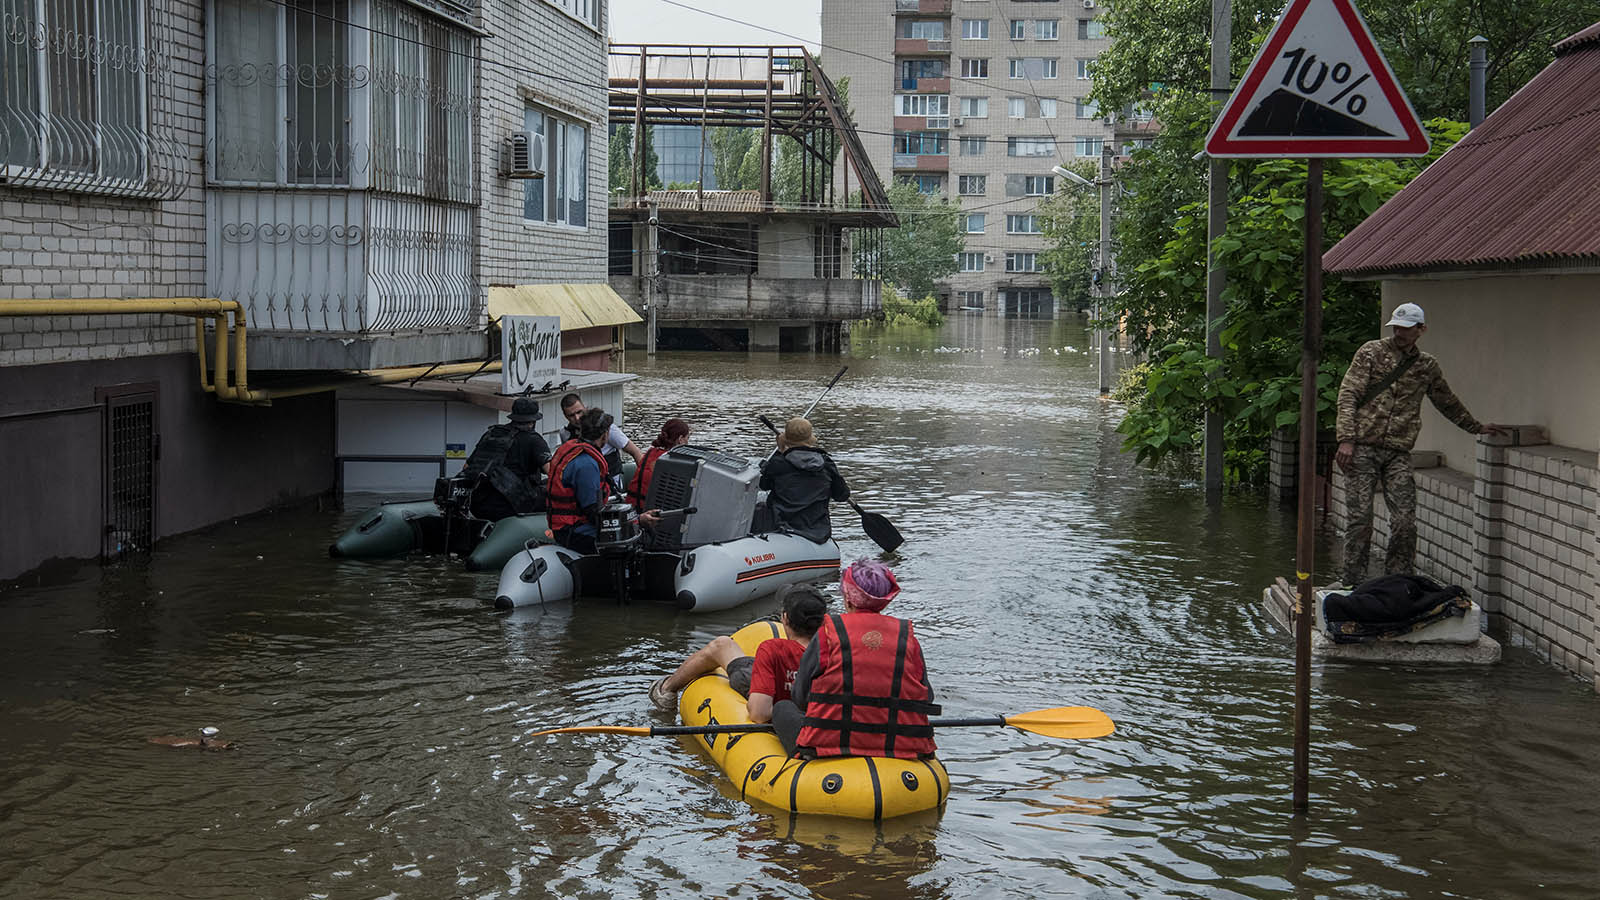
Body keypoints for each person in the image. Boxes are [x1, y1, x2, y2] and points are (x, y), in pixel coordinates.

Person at [1334, 302, 1507, 586]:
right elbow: (1348, 395)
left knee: (1405, 521)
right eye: (1397, 328)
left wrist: (1476, 427)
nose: (1399, 334)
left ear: (1420, 330)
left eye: (1406, 329)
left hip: (1398, 452)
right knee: (1360, 519)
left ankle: (1398, 580)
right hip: (1363, 447)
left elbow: (1446, 401)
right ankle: (1353, 581)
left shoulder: (1426, 366)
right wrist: (1347, 439)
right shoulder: (1371, 352)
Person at [772, 560, 939, 760]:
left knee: (783, 707)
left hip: (829, 745)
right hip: (900, 746)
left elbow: (801, 698)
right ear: (885, 601)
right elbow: (926, 697)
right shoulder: (908, 638)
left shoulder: (828, 633)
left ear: (848, 600)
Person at [648, 585, 830, 723]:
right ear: (824, 621)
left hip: (770, 697)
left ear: (785, 619)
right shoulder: (838, 648)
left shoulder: (773, 650)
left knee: (722, 645)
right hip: (816, 711)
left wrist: (787, 713)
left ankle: (666, 690)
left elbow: (759, 714)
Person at [759, 417, 849, 543]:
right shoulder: (826, 464)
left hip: (782, 526)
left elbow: (763, 485)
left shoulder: (778, 463)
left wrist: (780, 451)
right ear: (810, 438)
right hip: (818, 530)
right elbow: (842, 495)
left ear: (785, 439)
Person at [459, 396, 550, 521]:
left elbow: (467, 467)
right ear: (533, 421)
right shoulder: (534, 440)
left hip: (478, 506)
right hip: (513, 506)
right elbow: (552, 472)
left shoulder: (491, 433)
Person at [546, 407, 614, 555]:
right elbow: (591, 510)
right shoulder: (587, 464)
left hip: (562, 526)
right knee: (625, 537)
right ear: (604, 435)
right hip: (573, 531)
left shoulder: (570, 449)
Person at [558, 392, 643, 489]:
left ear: (585, 408)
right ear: (565, 416)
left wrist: (643, 480)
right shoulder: (565, 433)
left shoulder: (607, 428)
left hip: (611, 482)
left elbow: (635, 451)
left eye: (579, 412)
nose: (577, 418)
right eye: (571, 415)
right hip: (584, 483)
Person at [628, 418, 691, 528]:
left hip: (632, 510)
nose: (688, 442)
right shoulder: (673, 461)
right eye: (687, 438)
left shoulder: (649, 453)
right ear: (680, 439)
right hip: (649, 515)